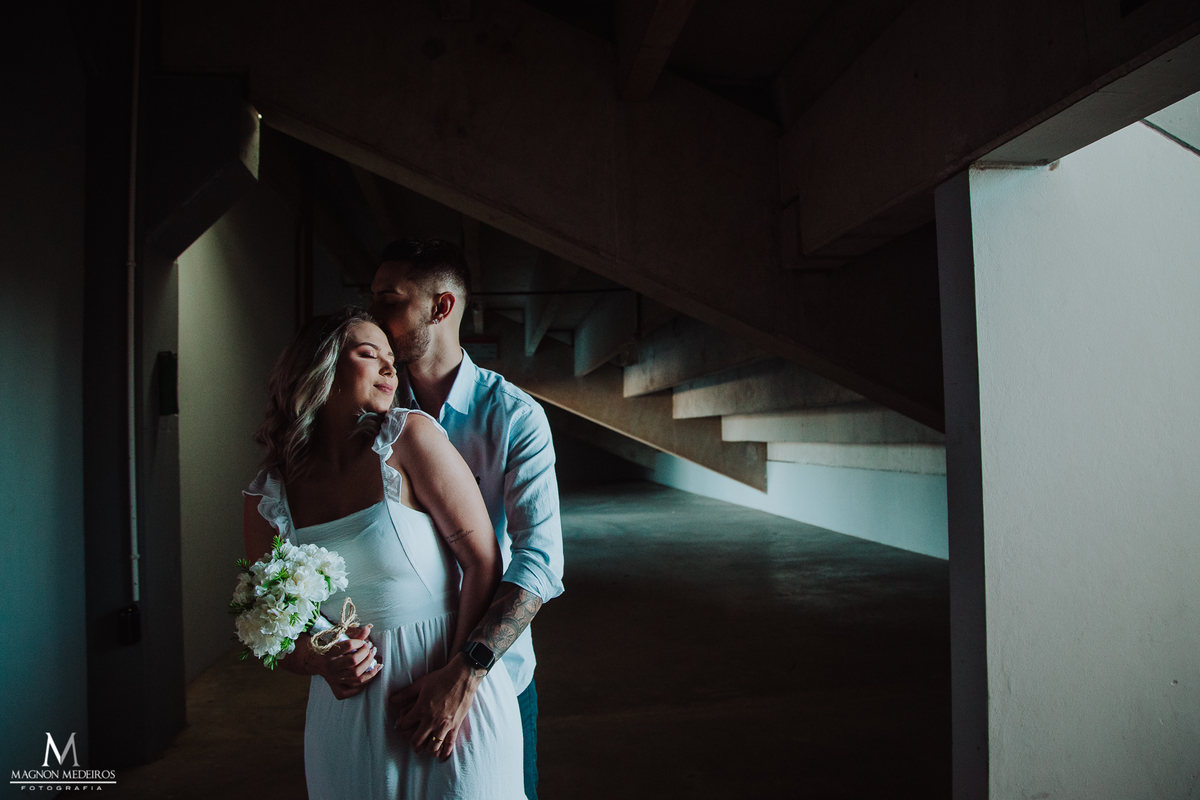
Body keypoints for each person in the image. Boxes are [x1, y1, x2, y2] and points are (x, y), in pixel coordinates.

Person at [242, 308, 524, 799]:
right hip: (348, 718)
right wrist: (319, 660)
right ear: (320, 368)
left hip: (451, 699)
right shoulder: (268, 496)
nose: (391, 368)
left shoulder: (408, 438)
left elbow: (483, 562)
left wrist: (458, 682)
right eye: (369, 354)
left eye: (392, 357)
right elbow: (271, 629)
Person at [369, 239, 564, 800]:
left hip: (493, 674)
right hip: (391, 678)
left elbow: (539, 562)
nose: (373, 318)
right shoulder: (370, 413)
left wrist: (467, 671)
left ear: (442, 307)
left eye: (389, 302)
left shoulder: (515, 417)